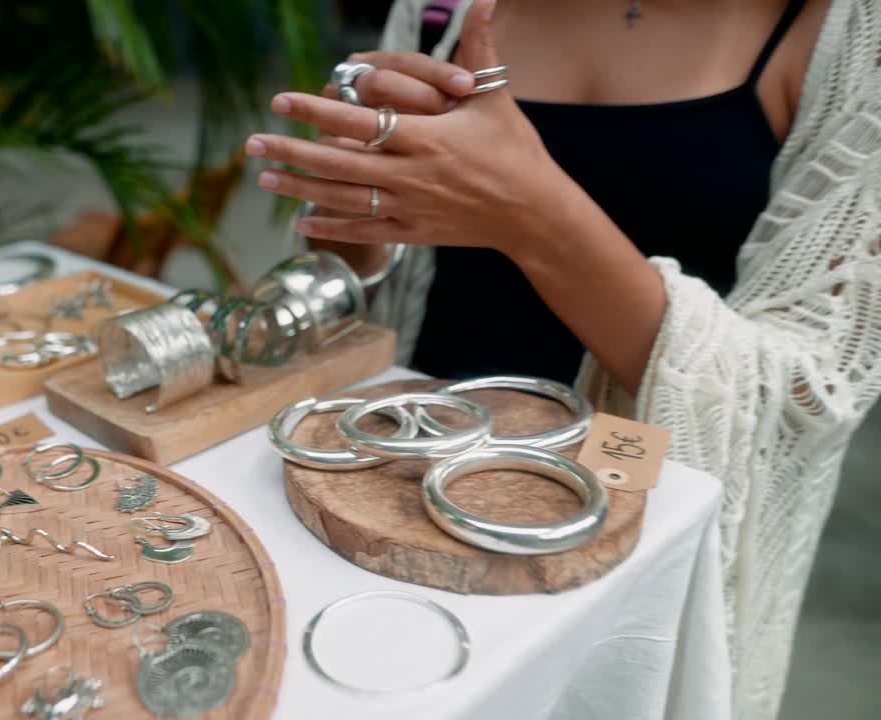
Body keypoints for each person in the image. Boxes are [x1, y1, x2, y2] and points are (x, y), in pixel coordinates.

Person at [245, 0, 879, 718]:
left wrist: (535, 217)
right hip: (399, 469)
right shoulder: (437, 10)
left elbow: (805, 391)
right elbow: (360, 288)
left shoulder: (853, 32)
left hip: (629, 496)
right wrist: (355, 195)